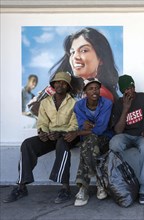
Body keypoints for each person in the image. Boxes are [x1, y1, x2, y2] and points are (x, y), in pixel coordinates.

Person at [3, 71, 79, 204]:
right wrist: (42, 133)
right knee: (27, 144)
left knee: (62, 142)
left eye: (63, 82)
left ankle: (65, 188)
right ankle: (21, 186)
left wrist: (60, 133)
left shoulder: (73, 103)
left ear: (68, 86)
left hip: (67, 136)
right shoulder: (45, 102)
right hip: (50, 136)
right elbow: (42, 122)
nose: (60, 84)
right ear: (53, 85)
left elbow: (74, 125)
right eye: (57, 82)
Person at [28, 27, 120, 117]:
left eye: (84, 50)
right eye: (72, 52)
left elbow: (83, 127)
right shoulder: (84, 92)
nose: (75, 57)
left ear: (101, 59)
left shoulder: (100, 92)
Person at [109, 74, 144, 205]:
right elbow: (118, 131)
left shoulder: (143, 97)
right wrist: (126, 108)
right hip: (126, 136)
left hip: (142, 136)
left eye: (131, 87)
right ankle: (121, 184)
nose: (130, 91)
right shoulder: (118, 104)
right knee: (114, 143)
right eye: (126, 89)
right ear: (122, 92)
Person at [73, 78, 113, 206]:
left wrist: (79, 132)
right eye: (91, 88)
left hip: (105, 137)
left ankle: (83, 188)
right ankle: (100, 181)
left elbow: (100, 129)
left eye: (97, 88)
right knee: (89, 143)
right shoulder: (79, 105)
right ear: (85, 92)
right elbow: (81, 125)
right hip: (89, 139)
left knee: (88, 144)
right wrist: (83, 129)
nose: (94, 91)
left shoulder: (106, 103)